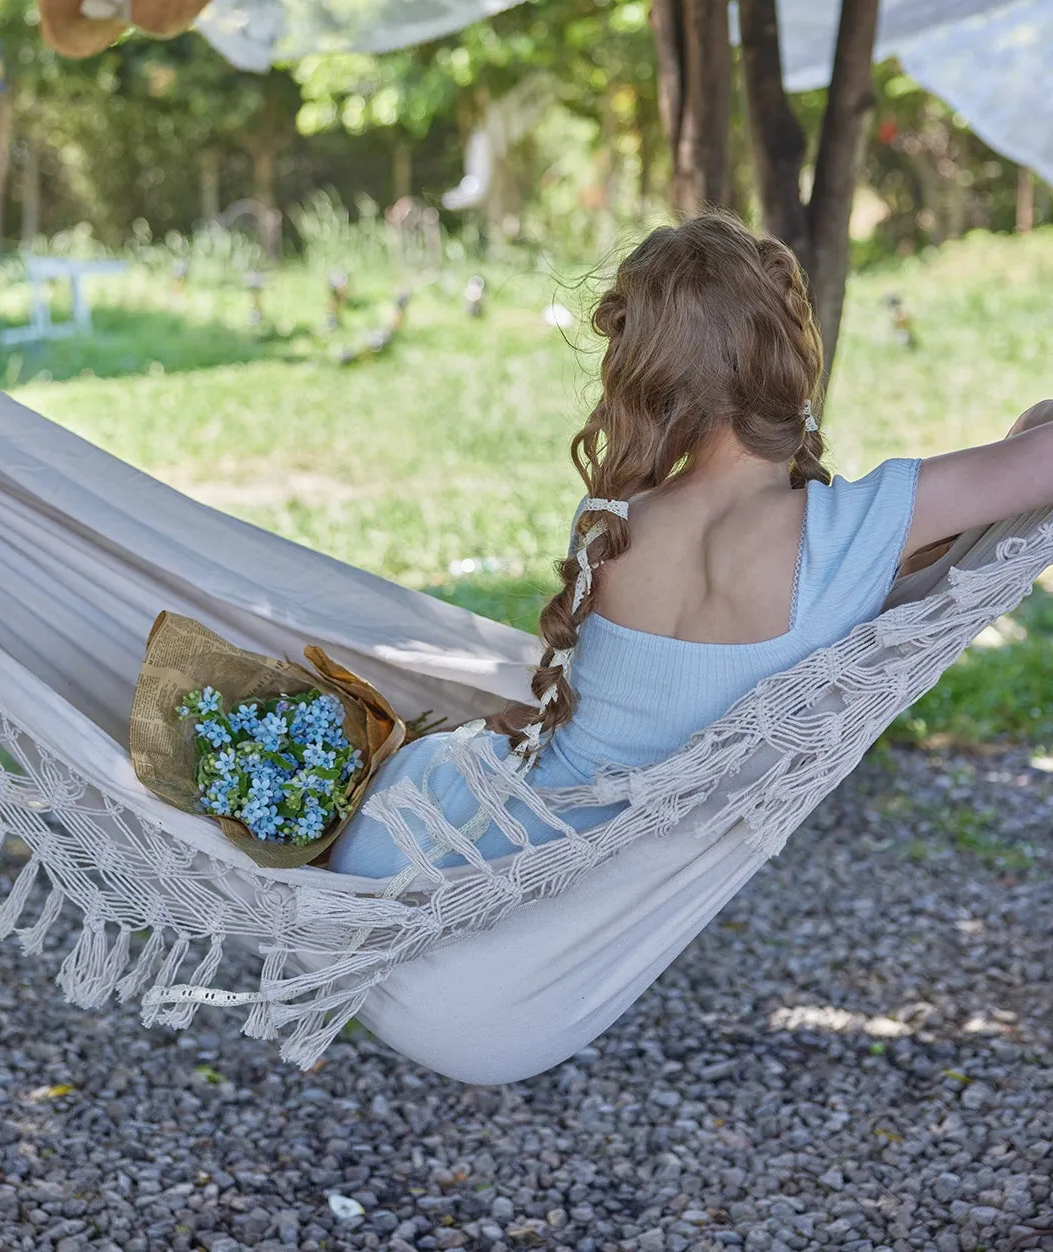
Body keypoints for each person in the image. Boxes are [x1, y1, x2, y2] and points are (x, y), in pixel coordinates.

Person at [328, 213, 1053, 880]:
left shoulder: (610, 517)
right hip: (527, 880)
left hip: (416, 835)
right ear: (795, 356)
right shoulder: (849, 532)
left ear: (645, 378)